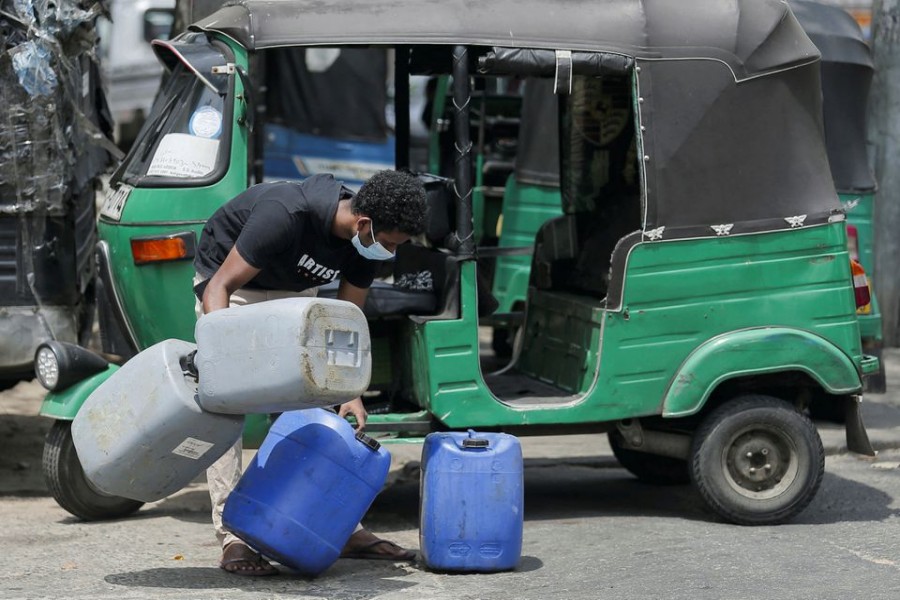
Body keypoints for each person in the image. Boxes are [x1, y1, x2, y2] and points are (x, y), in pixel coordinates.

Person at [193, 170, 428, 576]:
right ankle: (232, 536)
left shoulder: (363, 246)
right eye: (388, 243)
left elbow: (345, 319)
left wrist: (346, 389)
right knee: (226, 405)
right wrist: (226, 358)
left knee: (319, 399)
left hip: (293, 293)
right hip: (233, 287)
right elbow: (220, 288)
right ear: (364, 223)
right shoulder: (285, 213)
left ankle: (343, 529)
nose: (389, 252)